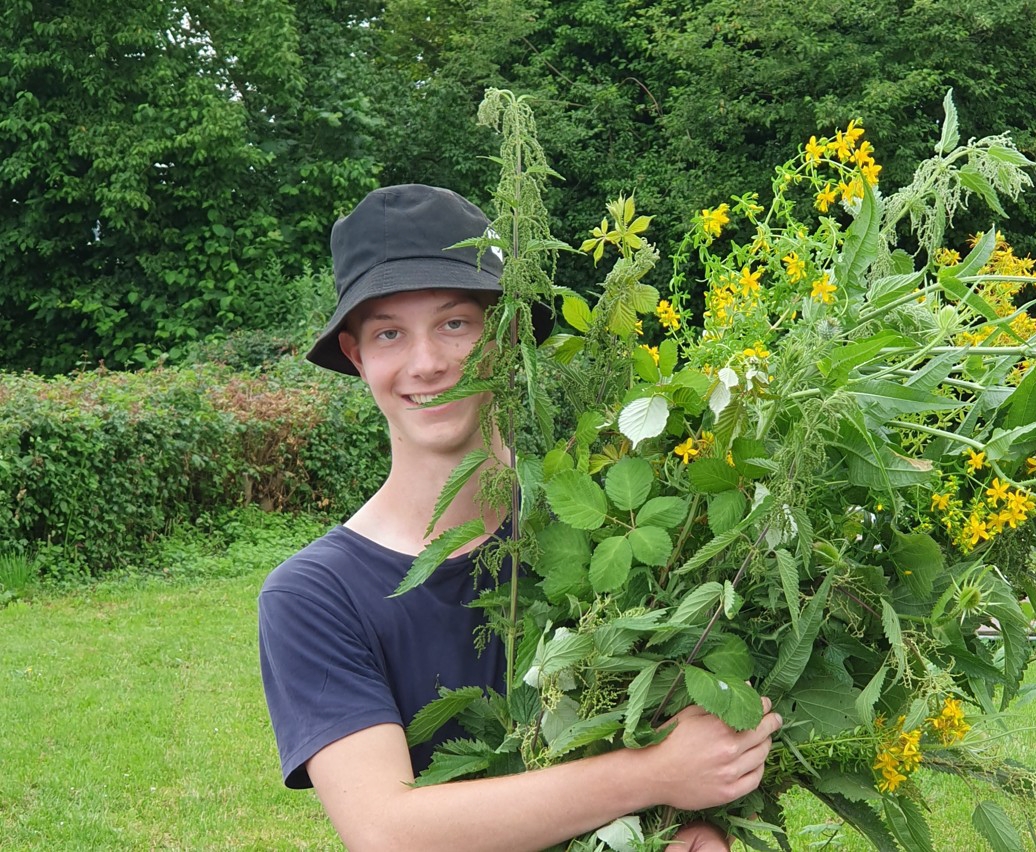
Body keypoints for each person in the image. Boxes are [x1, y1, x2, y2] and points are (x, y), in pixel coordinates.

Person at [258, 184, 783, 851]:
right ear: (358, 357)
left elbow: (695, 709)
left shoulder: (606, 520)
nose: (429, 363)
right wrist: (653, 777)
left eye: (455, 323)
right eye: (390, 333)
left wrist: (698, 822)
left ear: (506, 334)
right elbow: (388, 832)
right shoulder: (315, 596)